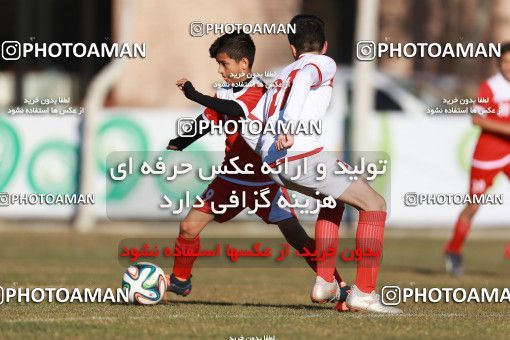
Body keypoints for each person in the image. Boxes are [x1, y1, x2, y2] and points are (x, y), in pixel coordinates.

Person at [178, 15, 401, 314]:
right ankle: (364, 293)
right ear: (324, 45)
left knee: (332, 202)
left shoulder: (281, 76)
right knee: (375, 204)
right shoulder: (321, 63)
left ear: (292, 48)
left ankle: (326, 281)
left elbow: (251, 121)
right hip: (296, 157)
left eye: (223, 63)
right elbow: (306, 80)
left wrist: (269, 149)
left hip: (274, 167)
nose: (220, 70)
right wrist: (290, 128)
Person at [167, 31, 351, 311]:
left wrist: (194, 94)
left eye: (224, 64)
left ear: (244, 64)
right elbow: (208, 119)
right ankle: (180, 280)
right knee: (188, 227)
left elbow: (235, 111)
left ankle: (340, 287)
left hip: (265, 182)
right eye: (218, 64)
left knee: (298, 239)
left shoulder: (259, 92)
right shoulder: (225, 91)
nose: (220, 70)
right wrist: (180, 142)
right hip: (230, 179)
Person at [445, 42, 510, 276]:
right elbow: (477, 119)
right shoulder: (491, 87)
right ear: (498, 64)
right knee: (473, 206)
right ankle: (453, 249)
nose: (508, 67)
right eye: (504, 62)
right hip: (488, 156)